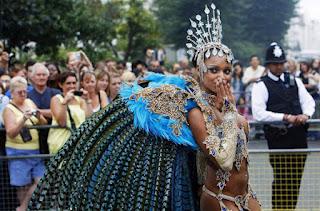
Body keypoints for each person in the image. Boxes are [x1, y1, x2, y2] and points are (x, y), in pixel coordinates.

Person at [29, 4, 260, 210]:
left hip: (245, 196)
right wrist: (231, 117)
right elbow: (223, 160)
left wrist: (230, 113)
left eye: (227, 71)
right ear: (200, 71)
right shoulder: (194, 109)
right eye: (214, 70)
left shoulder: (224, 105)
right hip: (218, 201)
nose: (222, 77)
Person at [251, 42, 315, 210]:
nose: (279, 66)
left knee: (295, 180)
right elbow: (258, 113)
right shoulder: (261, 85)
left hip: (299, 137)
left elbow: (308, 102)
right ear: (268, 64)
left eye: (281, 63)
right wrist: (285, 117)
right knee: (282, 179)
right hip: (278, 138)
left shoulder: (295, 81)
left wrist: (306, 115)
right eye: (275, 63)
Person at [3, 76, 47, 211]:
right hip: (18, 152)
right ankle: (24, 207)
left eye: (25, 91)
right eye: (19, 92)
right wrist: (23, 119)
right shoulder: (8, 109)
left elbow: (43, 123)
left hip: (35, 151)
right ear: (12, 92)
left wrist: (38, 115)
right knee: (23, 186)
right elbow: (11, 132)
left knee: (41, 181)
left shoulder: (29, 102)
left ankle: (22, 208)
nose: (23, 94)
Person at [47, 71, 92, 154]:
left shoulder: (79, 99)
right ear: (61, 85)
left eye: (74, 83)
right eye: (68, 83)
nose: (72, 86)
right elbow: (62, 122)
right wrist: (65, 102)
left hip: (79, 143)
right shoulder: (56, 99)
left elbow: (89, 118)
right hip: (61, 142)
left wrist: (87, 100)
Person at [27, 63, 61, 154]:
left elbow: (57, 113)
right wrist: (49, 112)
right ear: (32, 77)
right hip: (35, 136)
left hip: (54, 133)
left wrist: (38, 111)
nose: (41, 77)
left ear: (47, 76)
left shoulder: (56, 93)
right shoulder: (27, 95)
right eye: (38, 75)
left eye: (44, 75)